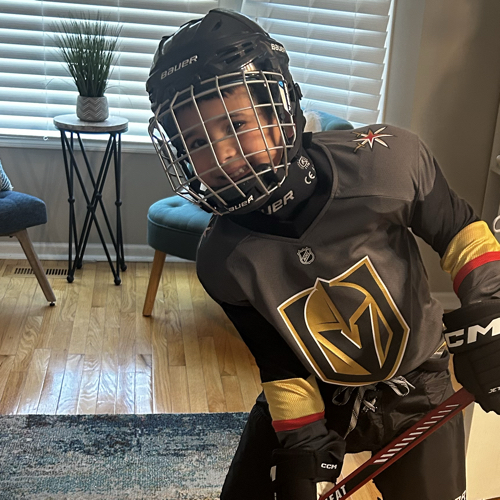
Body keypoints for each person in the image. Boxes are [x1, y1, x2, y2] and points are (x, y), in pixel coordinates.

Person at [146, 9, 500, 500]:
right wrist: (304, 444)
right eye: (196, 141)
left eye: (237, 124)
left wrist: (490, 313)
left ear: (279, 109)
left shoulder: (387, 163)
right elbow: (280, 364)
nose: (223, 156)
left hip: (419, 390)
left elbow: (462, 234)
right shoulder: (222, 260)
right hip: (317, 388)